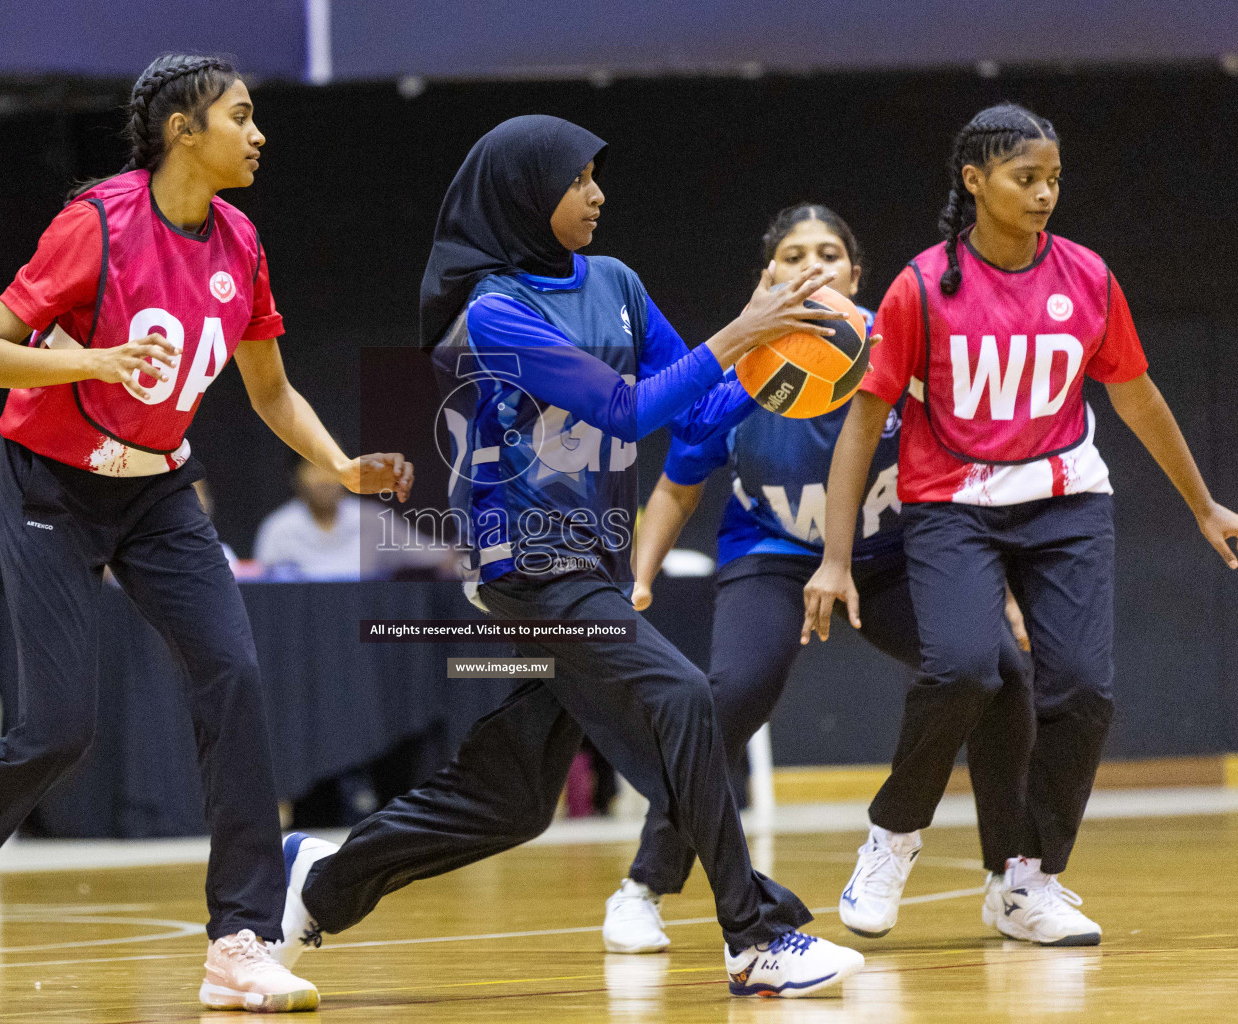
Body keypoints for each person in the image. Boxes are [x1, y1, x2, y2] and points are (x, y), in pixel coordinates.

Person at [0, 53, 413, 1016]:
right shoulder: (96, 224)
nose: (259, 133)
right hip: (50, 485)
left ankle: (240, 939)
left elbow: (268, 388)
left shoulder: (239, 241)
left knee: (234, 677)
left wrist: (341, 463)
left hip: (157, 492)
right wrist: (96, 358)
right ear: (184, 131)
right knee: (60, 725)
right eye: (241, 116)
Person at [267, 115, 867, 999]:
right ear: (524, 196)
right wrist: (746, 333)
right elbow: (624, 409)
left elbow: (694, 416)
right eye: (578, 180)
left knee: (510, 799)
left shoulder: (616, 281)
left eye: (596, 177)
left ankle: (317, 882)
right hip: (526, 566)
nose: (598, 194)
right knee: (684, 701)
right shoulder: (494, 311)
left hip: (591, 559)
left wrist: (794, 362)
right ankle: (755, 936)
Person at [803, 102, 1238, 947]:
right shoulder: (917, 288)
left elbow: (1136, 395)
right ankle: (892, 836)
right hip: (951, 503)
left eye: (1054, 177)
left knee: (1083, 689)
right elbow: (864, 424)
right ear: (974, 182)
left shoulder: (1087, 276)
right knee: (968, 669)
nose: (1046, 192)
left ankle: (1026, 880)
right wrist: (835, 558)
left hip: (1067, 501)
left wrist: (1204, 505)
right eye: (1026, 178)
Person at [601, 204, 1036, 953]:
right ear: (766, 277)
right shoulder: (734, 371)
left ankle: (1012, 880)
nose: (812, 267)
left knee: (1000, 671)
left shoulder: (903, 354)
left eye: (830, 254)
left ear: (857, 276)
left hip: (892, 556)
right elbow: (678, 484)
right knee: (727, 695)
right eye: (793, 255)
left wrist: (1000, 590)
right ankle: (642, 885)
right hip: (775, 552)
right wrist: (640, 578)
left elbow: (977, 475)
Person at [253, 458, 451, 579]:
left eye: (332, 469)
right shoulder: (278, 529)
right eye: (314, 468)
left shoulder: (373, 519)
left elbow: (436, 555)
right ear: (296, 476)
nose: (324, 480)